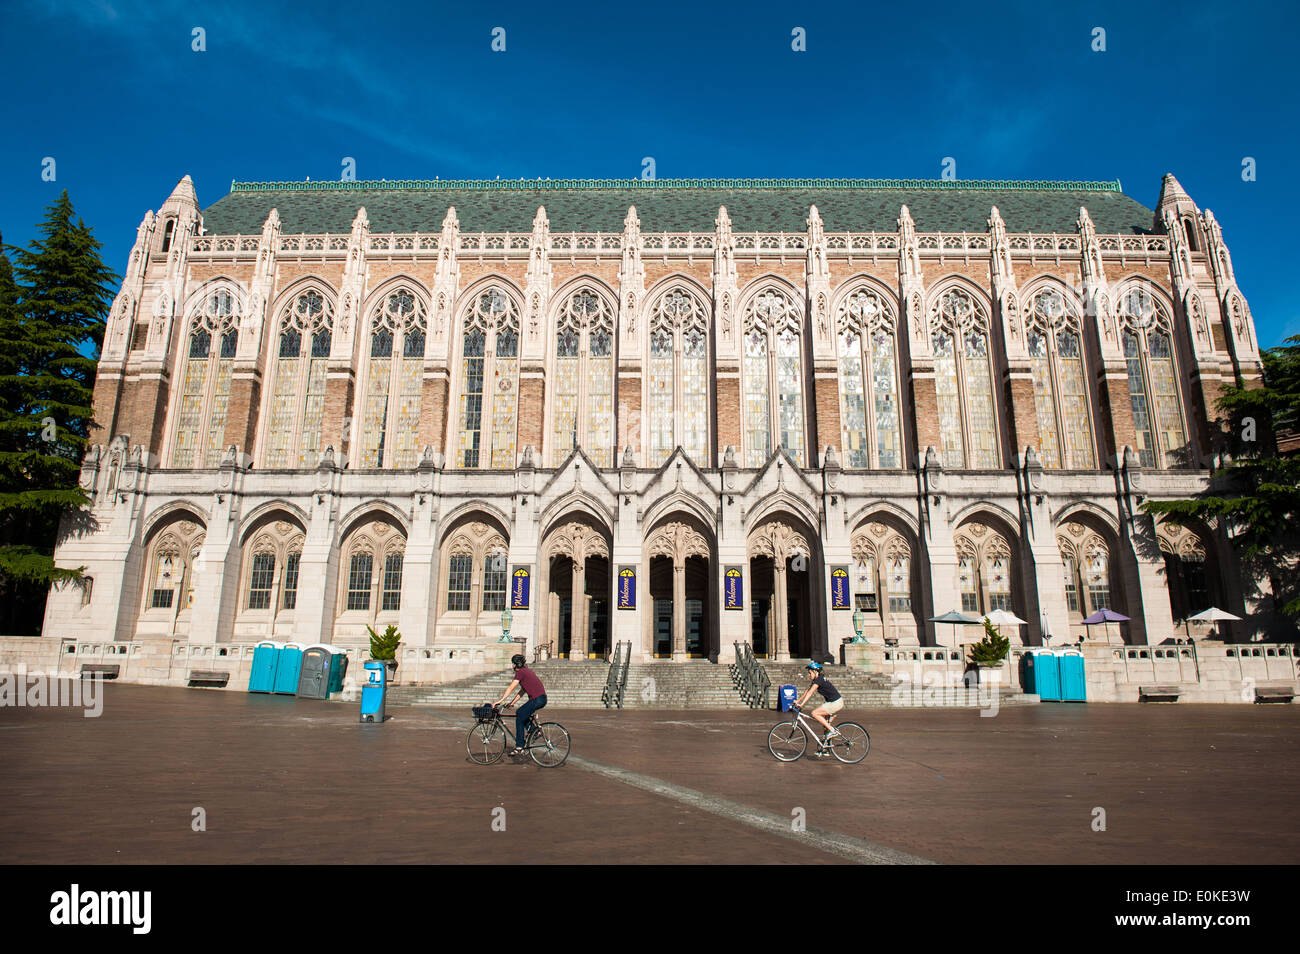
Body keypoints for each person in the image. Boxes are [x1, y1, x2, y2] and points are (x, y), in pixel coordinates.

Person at [493, 654, 547, 757]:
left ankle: (519, 747)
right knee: (520, 713)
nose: (513, 666)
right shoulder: (525, 672)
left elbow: (511, 688)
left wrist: (499, 701)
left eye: (513, 664)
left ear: (515, 664)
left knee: (519, 717)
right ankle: (534, 731)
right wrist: (512, 702)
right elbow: (522, 691)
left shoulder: (520, 672)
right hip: (540, 699)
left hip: (537, 699)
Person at [793, 661, 844, 757]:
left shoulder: (819, 680)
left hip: (835, 703)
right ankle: (827, 749)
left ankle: (833, 731)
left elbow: (811, 693)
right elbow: (807, 691)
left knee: (815, 713)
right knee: (825, 727)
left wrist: (801, 705)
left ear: (815, 672)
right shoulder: (817, 680)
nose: (809, 675)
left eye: (810, 673)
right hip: (834, 702)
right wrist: (798, 701)